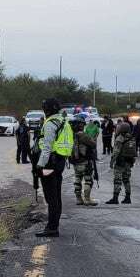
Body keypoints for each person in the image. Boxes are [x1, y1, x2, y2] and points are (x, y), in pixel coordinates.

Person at [33, 98, 73, 237]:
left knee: (51, 197)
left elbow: (47, 148)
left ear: (47, 109)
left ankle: (52, 228)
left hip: (50, 162)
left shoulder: (50, 124)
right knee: (56, 195)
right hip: (60, 162)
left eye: (44, 108)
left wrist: (39, 165)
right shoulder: (64, 121)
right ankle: (53, 226)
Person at [106, 122, 136, 204]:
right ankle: (128, 197)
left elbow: (116, 151)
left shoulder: (120, 138)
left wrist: (112, 162)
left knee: (117, 180)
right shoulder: (131, 137)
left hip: (120, 162)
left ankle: (115, 198)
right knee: (126, 180)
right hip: (128, 162)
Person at [71, 115, 98, 206]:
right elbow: (93, 144)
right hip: (85, 161)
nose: (83, 126)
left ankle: (79, 199)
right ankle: (87, 199)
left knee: (77, 179)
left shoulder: (71, 135)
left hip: (75, 161)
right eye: (82, 124)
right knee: (88, 180)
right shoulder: (82, 135)